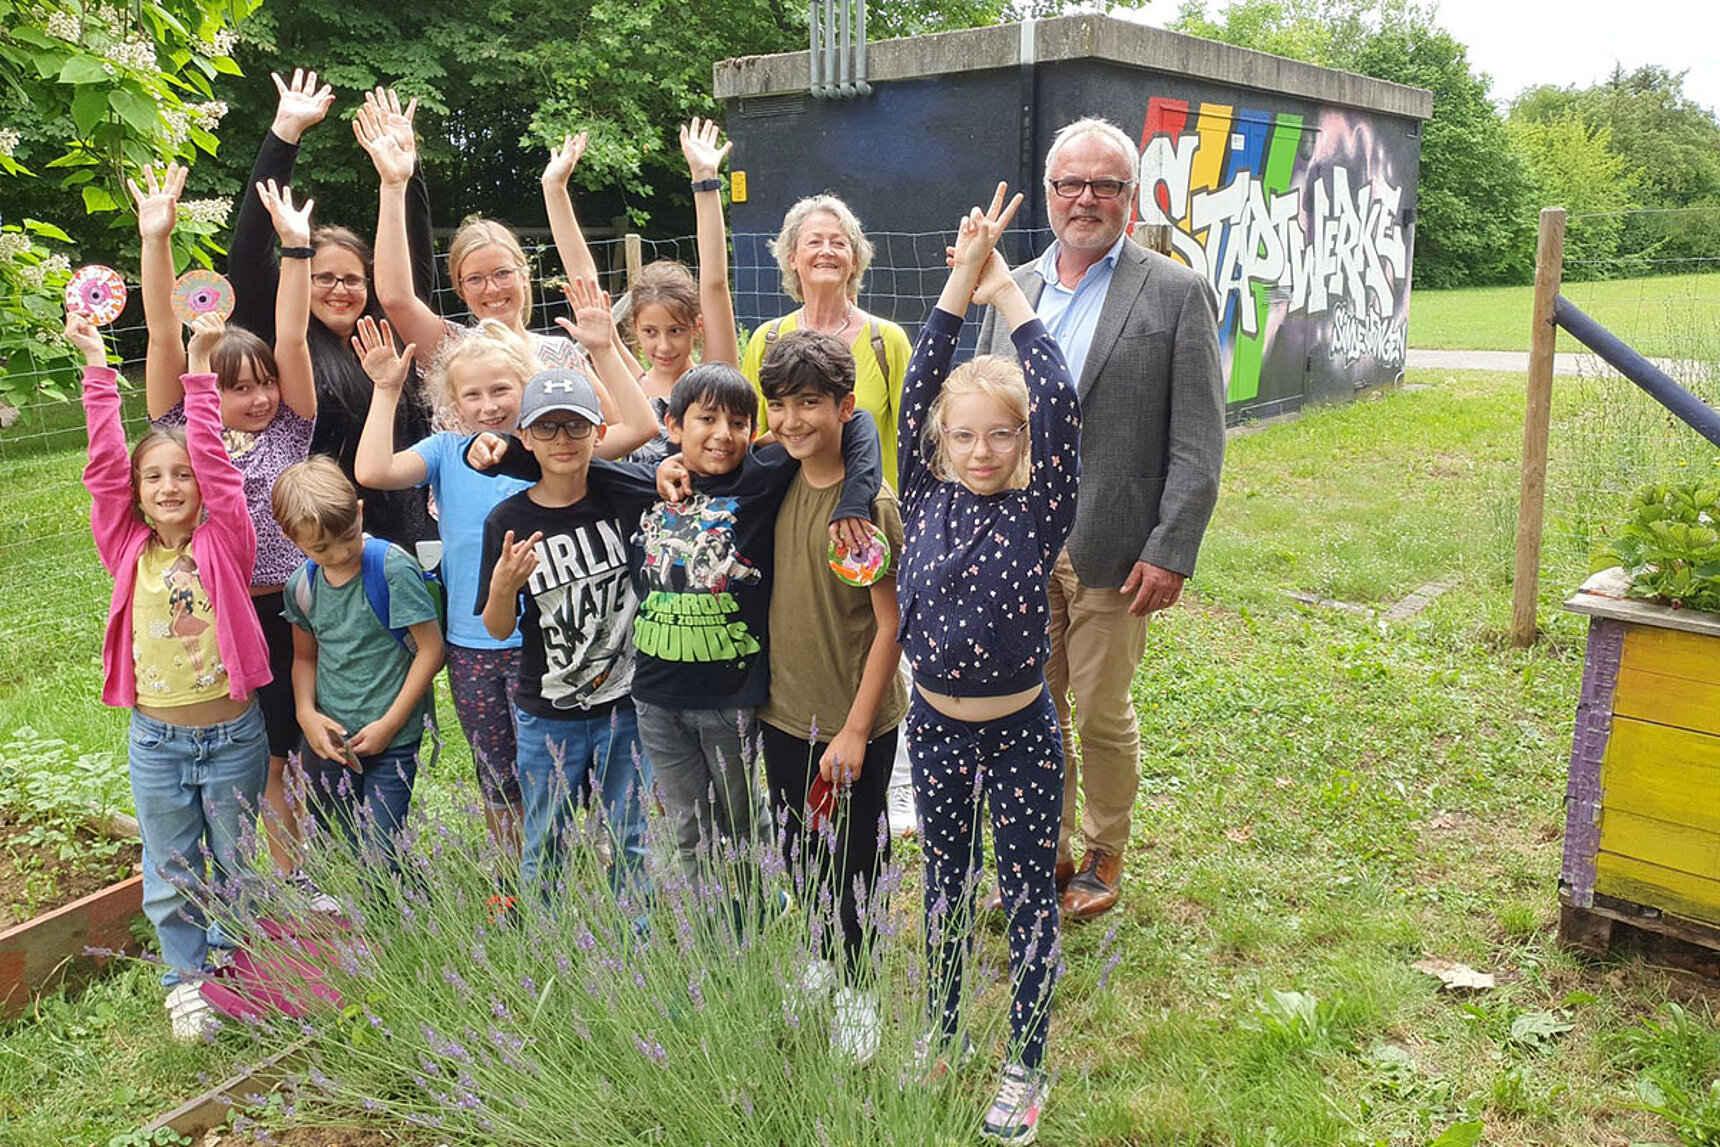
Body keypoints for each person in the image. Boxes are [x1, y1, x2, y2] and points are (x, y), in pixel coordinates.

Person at [467, 369, 881, 898]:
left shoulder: (763, 474)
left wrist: (853, 503)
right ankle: (706, 926)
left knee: (738, 820)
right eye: (705, 420)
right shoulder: (640, 483)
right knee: (681, 828)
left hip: (732, 696)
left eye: (737, 422)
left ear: (755, 431)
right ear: (673, 426)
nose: (721, 434)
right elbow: (563, 461)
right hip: (655, 699)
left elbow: (859, 421)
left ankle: (754, 914)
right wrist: (499, 446)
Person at [973, 115, 1225, 921]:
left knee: (1100, 708)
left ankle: (1105, 849)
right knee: (1027, 704)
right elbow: (978, 409)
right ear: (1049, 193)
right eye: (1070, 184)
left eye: (1104, 185)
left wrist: (1172, 546)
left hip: (1115, 546)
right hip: (1018, 542)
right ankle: (1042, 850)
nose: (1085, 199)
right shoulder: (1011, 284)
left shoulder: (1175, 290)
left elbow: (1199, 438)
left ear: (1130, 196)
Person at [898, 185, 1080, 1144]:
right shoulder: (923, 493)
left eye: (999, 435)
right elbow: (926, 377)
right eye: (964, 434)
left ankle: (1025, 1059)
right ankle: (938, 1027)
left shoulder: (1038, 504)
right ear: (939, 442)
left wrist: (1006, 287)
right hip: (931, 726)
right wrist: (956, 284)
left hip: (1020, 733)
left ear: (1023, 445)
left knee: (1023, 892)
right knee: (943, 884)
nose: (980, 449)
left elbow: (1054, 394)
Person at [352, 284, 656, 855]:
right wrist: (387, 388)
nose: (489, 405)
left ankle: (592, 870)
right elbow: (372, 470)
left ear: (528, 388)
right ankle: (514, 884)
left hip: (560, 644)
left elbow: (639, 431)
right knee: (499, 777)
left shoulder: (553, 447)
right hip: (474, 645)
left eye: (502, 390)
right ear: (452, 401)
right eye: (473, 394)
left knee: (574, 772)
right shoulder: (444, 450)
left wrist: (605, 350)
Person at [71, 308, 271, 1041]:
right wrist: (98, 369)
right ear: (138, 491)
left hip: (231, 735)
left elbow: (218, 469)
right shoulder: (127, 546)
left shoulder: (227, 539)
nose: (168, 484)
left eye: (180, 473)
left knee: (237, 859)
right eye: (153, 475)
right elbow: (101, 473)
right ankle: (186, 979)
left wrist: (199, 368)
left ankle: (236, 960)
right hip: (155, 739)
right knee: (171, 865)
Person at [134, 164, 321, 894]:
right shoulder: (182, 426)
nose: (256, 396)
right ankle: (236, 874)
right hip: (213, 613)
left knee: (284, 748)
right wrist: (158, 239)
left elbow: (297, 339)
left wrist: (296, 254)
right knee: (229, 752)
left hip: (287, 607)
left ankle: (290, 872)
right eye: (236, 385)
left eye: (263, 383)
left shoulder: (291, 431)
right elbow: (159, 333)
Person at [755, 329, 908, 1065]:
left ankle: (860, 988)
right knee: (797, 849)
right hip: (783, 712)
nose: (792, 420)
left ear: (846, 406)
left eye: (810, 403)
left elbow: (890, 626)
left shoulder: (865, 507)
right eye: (779, 404)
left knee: (855, 858)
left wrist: (852, 730)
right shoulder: (775, 478)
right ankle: (819, 957)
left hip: (854, 721)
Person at [226, 71, 438, 550]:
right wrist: (284, 135)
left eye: (351, 279)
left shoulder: (388, 332)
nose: (339, 290)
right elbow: (247, 254)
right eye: (324, 278)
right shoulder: (286, 339)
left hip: (410, 534)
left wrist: (405, 172)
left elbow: (413, 258)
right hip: (324, 540)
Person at [474, 368, 650, 903]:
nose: (562, 441)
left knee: (630, 837)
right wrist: (504, 587)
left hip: (626, 706)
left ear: (599, 432)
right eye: (546, 429)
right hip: (549, 711)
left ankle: (634, 943)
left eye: (575, 426)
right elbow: (497, 625)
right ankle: (547, 945)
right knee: (546, 837)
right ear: (523, 437)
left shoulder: (625, 500)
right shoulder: (508, 518)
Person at [275, 458, 444, 877]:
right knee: (347, 838)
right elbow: (304, 657)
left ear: (360, 512)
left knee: (382, 846)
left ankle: (394, 928)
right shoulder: (302, 586)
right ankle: (394, 902)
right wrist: (306, 714)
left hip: (394, 735)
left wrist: (390, 724)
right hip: (335, 739)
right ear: (292, 540)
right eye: (321, 549)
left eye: (348, 537)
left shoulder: (390, 568)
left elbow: (431, 650)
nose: (339, 553)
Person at [541, 118, 741, 462]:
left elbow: (714, 284)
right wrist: (553, 189)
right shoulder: (630, 385)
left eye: (675, 331)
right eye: (650, 332)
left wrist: (705, 182)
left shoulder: (714, 378)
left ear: (697, 326)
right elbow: (584, 281)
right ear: (634, 329)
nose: (663, 346)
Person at [354, 95, 585, 373]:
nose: (492, 288)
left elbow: (616, 418)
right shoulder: (451, 350)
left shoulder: (562, 353)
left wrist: (555, 190)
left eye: (502, 273)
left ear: (524, 275)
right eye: (475, 279)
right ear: (460, 289)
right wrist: (393, 185)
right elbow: (396, 299)